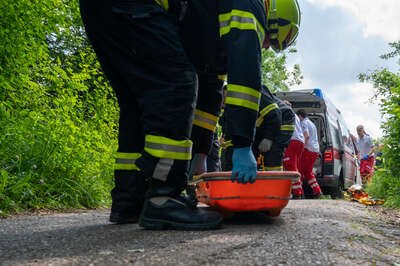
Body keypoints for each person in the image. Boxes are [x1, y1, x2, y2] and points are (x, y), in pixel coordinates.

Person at [79, 0, 222, 230]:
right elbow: (207, 77)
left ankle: (128, 201)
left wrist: (202, 150)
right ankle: (163, 197)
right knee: (178, 82)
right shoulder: (214, 13)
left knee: (134, 104)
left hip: (100, 11)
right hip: (135, 8)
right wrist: (200, 152)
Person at [181, 0, 301, 184]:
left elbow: (209, 91)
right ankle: (160, 198)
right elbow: (245, 72)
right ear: (270, 19)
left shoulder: (212, 35)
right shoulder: (248, 8)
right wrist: (243, 146)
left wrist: (201, 151)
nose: (266, 46)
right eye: (269, 39)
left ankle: (134, 200)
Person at [254, 85, 295, 171]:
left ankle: (274, 181)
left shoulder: (255, 90)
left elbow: (275, 115)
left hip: (284, 118)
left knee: (272, 155)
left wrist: (268, 138)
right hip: (270, 124)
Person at [297, 109, 322, 198]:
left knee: (300, 170)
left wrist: (301, 147)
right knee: (307, 171)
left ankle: (298, 192)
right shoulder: (312, 123)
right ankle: (317, 190)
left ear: (300, 116)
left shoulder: (303, 123)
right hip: (315, 150)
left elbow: (306, 136)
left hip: (308, 149)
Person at [282, 107, 305, 199]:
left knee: (290, 166)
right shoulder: (295, 115)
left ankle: (297, 192)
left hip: (293, 140)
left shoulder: (285, 112)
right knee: (295, 166)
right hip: (300, 141)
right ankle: (300, 190)